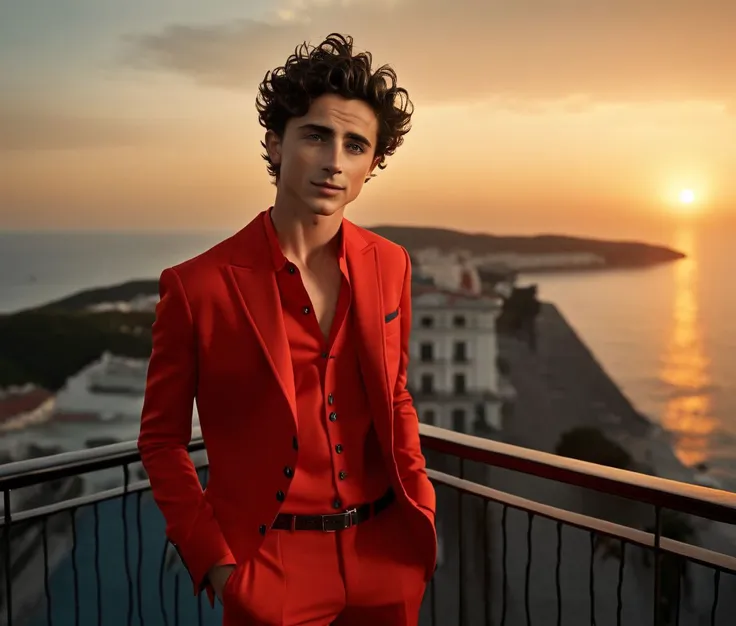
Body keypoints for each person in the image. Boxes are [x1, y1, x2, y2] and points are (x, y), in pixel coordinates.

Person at [137, 32, 437, 626]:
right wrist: (219, 566)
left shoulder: (391, 263)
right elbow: (162, 441)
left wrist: (420, 508)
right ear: (275, 143)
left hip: (384, 554)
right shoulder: (196, 286)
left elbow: (396, 393)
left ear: (370, 167)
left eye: (355, 146)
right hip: (268, 565)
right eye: (316, 135)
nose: (333, 161)